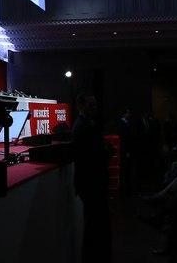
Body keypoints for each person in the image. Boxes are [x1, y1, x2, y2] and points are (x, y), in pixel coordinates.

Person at [72, 91, 113, 262]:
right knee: (95, 226)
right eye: (91, 105)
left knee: (95, 225)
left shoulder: (87, 124)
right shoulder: (83, 127)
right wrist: (106, 150)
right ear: (81, 106)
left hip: (92, 182)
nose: (95, 108)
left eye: (95, 104)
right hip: (91, 183)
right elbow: (98, 153)